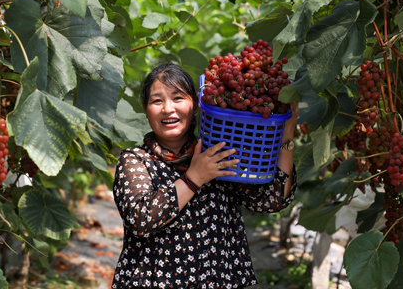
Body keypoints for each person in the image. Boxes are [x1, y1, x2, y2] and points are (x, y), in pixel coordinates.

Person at [112, 63, 298, 289]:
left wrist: (287, 134)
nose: (168, 109)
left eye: (178, 98)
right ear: (146, 108)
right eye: (157, 101)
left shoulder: (217, 156)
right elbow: (140, 220)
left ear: (197, 105)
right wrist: (194, 177)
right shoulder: (136, 160)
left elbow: (273, 199)